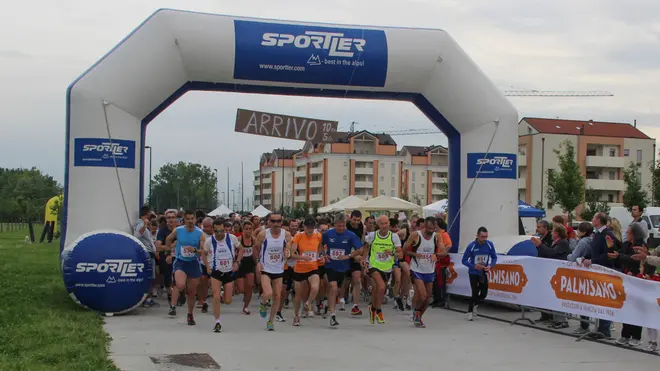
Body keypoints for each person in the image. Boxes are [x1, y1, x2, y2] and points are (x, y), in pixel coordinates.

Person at [165, 210, 207, 325]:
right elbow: (168, 239)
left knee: (192, 292)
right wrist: (169, 252)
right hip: (180, 262)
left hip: (193, 263)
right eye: (187, 219)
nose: (190, 221)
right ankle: (173, 306)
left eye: (192, 219)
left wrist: (194, 250)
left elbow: (203, 251)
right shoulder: (178, 231)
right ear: (184, 220)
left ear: (195, 220)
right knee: (180, 284)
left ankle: (190, 314)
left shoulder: (200, 233)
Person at [404, 216, 446, 328]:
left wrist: (436, 255)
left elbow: (443, 252)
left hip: (429, 270)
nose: (431, 231)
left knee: (427, 300)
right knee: (422, 296)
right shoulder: (416, 235)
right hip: (417, 269)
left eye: (433, 229)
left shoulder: (437, 236)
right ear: (424, 226)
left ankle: (417, 315)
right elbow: (405, 250)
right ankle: (416, 315)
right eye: (429, 229)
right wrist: (415, 254)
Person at [323, 213, 363, 326]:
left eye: (343, 225)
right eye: (339, 226)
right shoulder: (328, 234)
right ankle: (332, 315)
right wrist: (323, 254)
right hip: (330, 265)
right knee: (333, 287)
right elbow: (321, 245)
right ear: (334, 225)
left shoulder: (350, 235)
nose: (341, 228)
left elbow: (360, 249)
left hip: (343, 267)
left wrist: (348, 256)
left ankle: (328, 304)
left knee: (337, 290)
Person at [254, 213, 292, 331]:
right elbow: (256, 248)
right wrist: (258, 262)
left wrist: (288, 254)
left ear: (281, 222)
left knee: (277, 295)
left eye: (278, 221)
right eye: (273, 221)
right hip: (266, 268)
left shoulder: (286, 234)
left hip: (279, 268)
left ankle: (270, 321)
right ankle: (263, 303)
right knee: (268, 293)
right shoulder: (263, 234)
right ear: (269, 222)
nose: (275, 224)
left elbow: (289, 249)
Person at [203, 219, 242, 332]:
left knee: (228, 301)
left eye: (221, 231)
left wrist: (237, 262)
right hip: (216, 272)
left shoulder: (232, 238)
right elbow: (204, 254)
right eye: (216, 231)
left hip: (229, 272)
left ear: (224, 229)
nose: (219, 234)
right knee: (215, 297)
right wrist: (207, 266)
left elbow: (241, 250)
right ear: (213, 230)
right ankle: (217, 322)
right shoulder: (209, 241)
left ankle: (223, 292)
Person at [362, 215, 402, 324]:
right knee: (381, 287)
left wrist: (393, 253)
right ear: (378, 225)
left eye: (386, 223)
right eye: (381, 223)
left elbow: (400, 253)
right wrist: (364, 259)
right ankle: (378, 310)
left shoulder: (394, 237)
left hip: (387, 267)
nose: (384, 226)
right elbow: (365, 247)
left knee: (379, 290)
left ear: (389, 224)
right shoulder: (372, 235)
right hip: (374, 265)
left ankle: (373, 308)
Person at [582, 212, 616, 338]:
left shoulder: (607, 234)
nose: (592, 219)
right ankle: (599, 327)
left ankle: (604, 329)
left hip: (604, 271)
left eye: (593, 218)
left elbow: (608, 254)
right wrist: (585, 257)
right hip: (596, 270)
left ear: (598, 220)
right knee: (597, 300)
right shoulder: (597, 234)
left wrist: (592, 261)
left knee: (604, 301)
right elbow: (593, 250)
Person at [289, 217, 323, 326]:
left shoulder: (318, 236)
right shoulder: (298, 236)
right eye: (308, 228)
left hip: (313, 267)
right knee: (298, 295)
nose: (310, 230)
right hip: (299, 268)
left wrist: (321, 257)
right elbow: (292, 254)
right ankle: (296, 316)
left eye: (312, 228)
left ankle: (308, 303)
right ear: (304, 227)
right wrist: (303, 258)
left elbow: (321, 250)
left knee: (315, 287)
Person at [538, 224, 571, 329]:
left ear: (557, 233)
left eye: (553, 232)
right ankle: (556, 319)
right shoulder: (556, 243)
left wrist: (540, 245)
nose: (551, 233)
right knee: (554, 297)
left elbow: (551, 253)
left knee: (559, 296)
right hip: (554, 273)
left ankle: (562, 320)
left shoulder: (562, 243)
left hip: (560, 273)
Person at [461, 227, 497, 321]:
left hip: (483, 272)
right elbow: (464, 260)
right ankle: (469, 312)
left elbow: (494, 257)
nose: (484, 239)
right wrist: (473, 266)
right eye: (482, 237)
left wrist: (490, 265)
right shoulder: (471, 246)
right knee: (475, 292)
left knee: (484, 293)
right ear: (477, 236)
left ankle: (475, 305)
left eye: (486, 237)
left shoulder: (489, 245)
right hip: (473, 272)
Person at [569, 222, 595, 335]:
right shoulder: (591, 240)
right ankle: (585, 324)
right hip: (587, 272)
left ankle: (584, 325)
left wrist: (568, 256)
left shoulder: (583, 242)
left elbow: (573, 257)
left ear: (583, 232)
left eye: (578, 230)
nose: (577, 231)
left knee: (582, 299)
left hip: (581, 272)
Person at [134, 205, 158, 307]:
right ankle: (146, 299)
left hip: (150, 252)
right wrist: (144, 225)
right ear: (146, 214)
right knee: (150, 277)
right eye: (149, 214)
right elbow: (137, 235)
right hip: (147, 253)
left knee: (152, 276)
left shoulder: (143, 224)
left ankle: (148, 298)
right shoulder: (140, 223)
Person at [346, 210, 365, 315]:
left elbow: (361, 243)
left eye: (358, 220)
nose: (356, 222)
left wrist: (360, 256)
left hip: (356, 255)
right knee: (343, 281)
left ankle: (355, 305)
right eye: (354, 220)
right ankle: (340, 299)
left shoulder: (362, 227)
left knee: (357, 279)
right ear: (350, 218)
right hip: (345, 254)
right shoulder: (345, 226)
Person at [156, 209, 178, 303]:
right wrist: (170, 246)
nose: (171, 220)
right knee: (167, 276)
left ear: (176, 218)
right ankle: (170, 293)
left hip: (179, 256)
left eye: (173, 217)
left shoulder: (180, 230)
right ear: (166, 219)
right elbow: (158, 247)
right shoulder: (162, 231)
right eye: (169, 218)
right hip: (166, 256)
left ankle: (178, 293)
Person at [236, 221, 256, 315]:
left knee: (250, 285)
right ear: (243, 230)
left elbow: (256, 252)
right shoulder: (239, 239)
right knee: (241, 289)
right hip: (241, 265)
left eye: (250, 229)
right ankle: (238, 288)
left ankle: (246, 306)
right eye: (246, 229)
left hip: (250, 264)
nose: (248, 231)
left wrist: (258, 263)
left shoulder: (254, 240)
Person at [197, 217, 213, 313]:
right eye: (204, 226)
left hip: (214, 263)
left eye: (207, 226)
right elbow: (201, 250)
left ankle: (212, 299)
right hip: (203, 262)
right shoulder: (201, 235)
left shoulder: (218, 235)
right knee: (202, 282)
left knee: (212, 283)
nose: (204, 228)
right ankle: (202, 300)